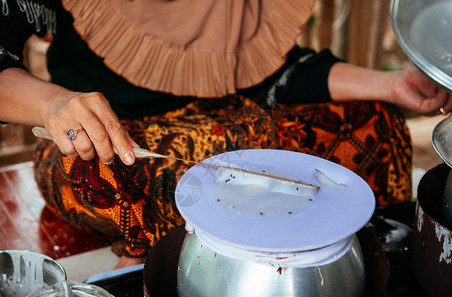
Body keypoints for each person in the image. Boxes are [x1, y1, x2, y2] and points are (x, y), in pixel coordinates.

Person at [1, 0, 451, 268]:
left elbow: (277, 76)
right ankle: (146, 260)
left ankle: (373, 238)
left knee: (378, 122)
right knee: (119, 173)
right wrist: (52, 103)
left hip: (237, 123)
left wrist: (392, 87)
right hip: (115, 142)